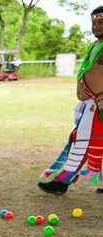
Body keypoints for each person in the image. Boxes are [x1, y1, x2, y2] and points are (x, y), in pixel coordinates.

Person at [38, 6, 103, 195]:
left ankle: (62, 181)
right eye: (94, 23)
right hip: (92, 104)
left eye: (101, 23)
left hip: (97, 106)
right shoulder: (95, 46)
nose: (96, 27)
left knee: (82, 142)